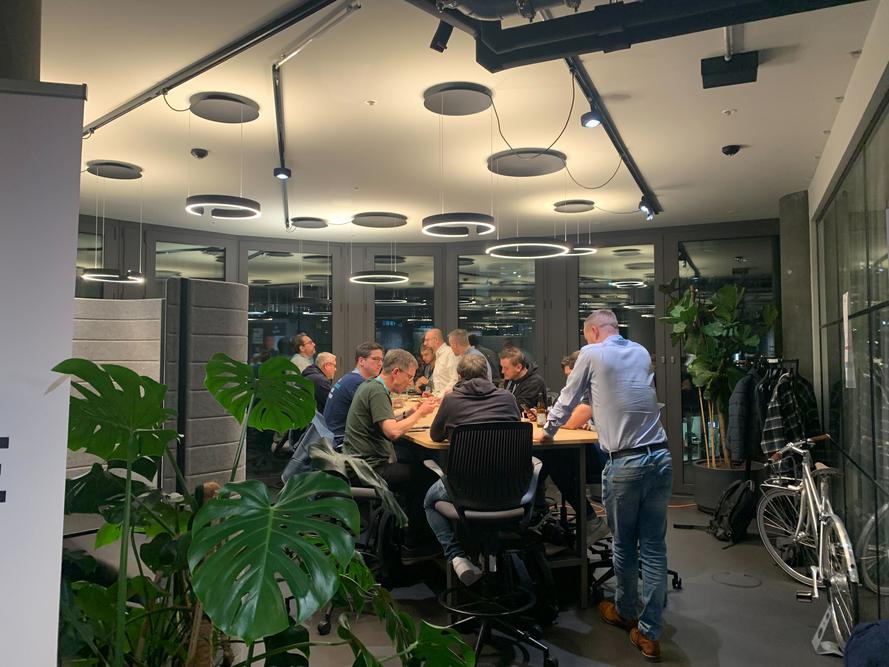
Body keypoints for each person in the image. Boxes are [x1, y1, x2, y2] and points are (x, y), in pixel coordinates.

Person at [537, 309, 670, 662]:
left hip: (625, 462)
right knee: (654, 547)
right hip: (660, 457)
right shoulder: (640, 352)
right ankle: (651, 632)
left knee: (624, 544)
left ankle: (625, 612)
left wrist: (547, 431)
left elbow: (568, 398)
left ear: (593, 331)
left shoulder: (591, 353)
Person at [424, 353, 521, 585]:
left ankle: (456, 556)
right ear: (487, 375)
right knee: (489, 499)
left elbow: (435, 435)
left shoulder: (452, 400)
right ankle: (491, 555)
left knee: (429, 501)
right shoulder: (508, 398)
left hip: (464, 488)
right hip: (508, 487)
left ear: (459, 376)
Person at [343, 349, 439, 558]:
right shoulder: (377, 391)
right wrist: (420, 413)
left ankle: (404, 532)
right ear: (396, 372)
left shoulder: (371, 385)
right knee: (429, 477)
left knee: (413, 463)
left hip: (358, 463)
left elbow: (385, 420)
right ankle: (414, 543)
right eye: (409, 377)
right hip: (369, 469)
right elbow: (392, 432)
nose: (410, 382)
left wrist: (409, 413)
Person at [322, 342, 384, 446]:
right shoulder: (357, 383)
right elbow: (377, 420)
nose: (380, 364)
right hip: (341, 441)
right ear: (361, 361)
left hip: (332, 436)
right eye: (375, 359)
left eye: (381, 360)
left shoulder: (350, 378)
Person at [499, 347, 547, 411]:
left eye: (506, 368)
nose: (502, 371)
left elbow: (518, 408)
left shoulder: (535, 383)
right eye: (502, 367)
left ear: (518, 367)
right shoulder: (510, 378)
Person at [422, 328, 458, 394]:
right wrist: (432, 395)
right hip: (439, 397)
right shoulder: (439, 355)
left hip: (446, 398)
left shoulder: (449, 353)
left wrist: (440, 396)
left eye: (427, 340)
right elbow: (440, 383)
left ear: (436, 340)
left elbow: (455, 380)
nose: (425, 343)